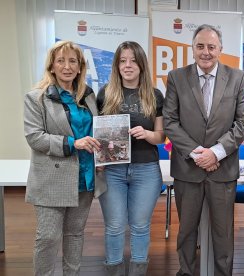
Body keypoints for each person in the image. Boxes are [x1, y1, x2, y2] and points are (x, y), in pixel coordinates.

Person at [163, 24, 244, 276]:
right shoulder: (177, 78)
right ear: (192, 48)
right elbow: (170, 121)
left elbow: (243, 123)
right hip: (188, 168)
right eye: (200, 46)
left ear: (220, 49)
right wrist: (199, 153)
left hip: (222, 169)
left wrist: (216, 153)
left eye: (211, 47)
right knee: (187, 231)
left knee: (223, 233)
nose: (206, 52)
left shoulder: (238, 78)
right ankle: (187, 272)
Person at [23, 40, 106, 275]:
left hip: (85, 176)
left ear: (80, 67)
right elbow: (35, 138)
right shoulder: (36, 98)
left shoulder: (88, 97)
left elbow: (96, 132)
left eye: (73, 61)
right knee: (48, 237)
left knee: (75, 234)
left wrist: (103, 158)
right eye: (61, 61)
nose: (67, 66)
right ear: (52, 66)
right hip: (52, 178)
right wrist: (73, 143)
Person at [97, 41, 165, 276]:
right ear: (116, 65)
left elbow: (161, 137)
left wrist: (147, 134)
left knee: (140, 227)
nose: (128, 65)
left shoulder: (154, 95)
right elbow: (96, 132)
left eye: (133, 60)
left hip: (146, 170)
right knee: (114, 227)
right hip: (112, 170)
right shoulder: (105, 93)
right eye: (122, 60)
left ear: (141, 64)